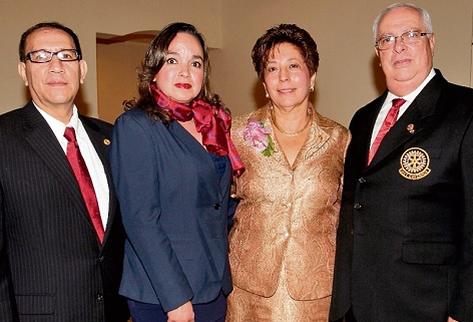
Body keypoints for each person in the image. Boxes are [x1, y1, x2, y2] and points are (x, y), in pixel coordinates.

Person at [329, 3, 473, 322]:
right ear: (378, 54)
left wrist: (464, 309)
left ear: (431, 42)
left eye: (411, 34)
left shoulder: (464, 111)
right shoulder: (362, 119)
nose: (399, 46)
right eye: (387, 39)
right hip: (358, 303)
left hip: (426, 305)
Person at [110, 22, 244, 322]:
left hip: (212, 284)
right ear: (154, 68)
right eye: (173, 60)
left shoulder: (212, 124)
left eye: (195, 63)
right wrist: (176, 299)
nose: (185, 72)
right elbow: (141, 219)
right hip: (166, 295)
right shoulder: (136, 126)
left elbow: (216, 204)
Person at [0, 22, 129, 322]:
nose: (56, 66)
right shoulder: (5, 138)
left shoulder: (112, 137)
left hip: (113, 311)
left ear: (82, 70)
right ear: (23, 70)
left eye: (66, 56)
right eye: (41, 56)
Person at [226, 24, 350, 321]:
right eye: (272, 68)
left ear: (312, 77)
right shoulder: (237, 134)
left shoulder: (339, 139)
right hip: (248, 290)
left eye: (294, 66)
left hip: (316, 291)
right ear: (263, 83)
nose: (283, 77)